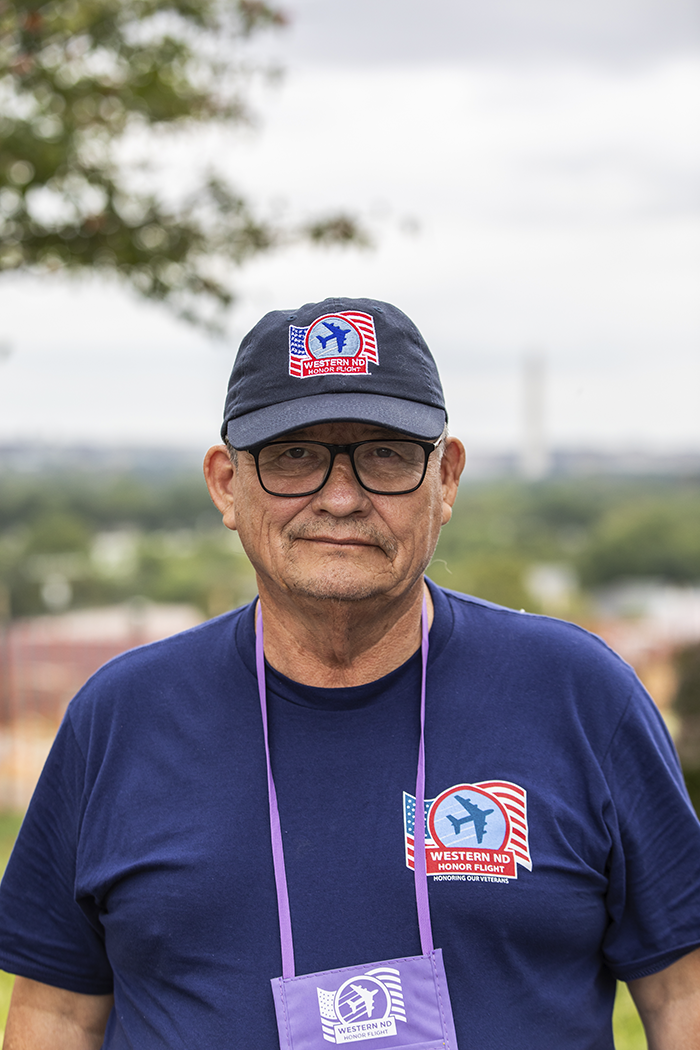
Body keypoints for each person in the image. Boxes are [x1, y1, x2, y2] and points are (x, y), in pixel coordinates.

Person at [1, 296, 699, 1050]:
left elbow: (682, 994)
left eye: (385, 454)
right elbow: (58, 1014)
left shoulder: (580, 696)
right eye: (293, 455)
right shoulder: (119, 717)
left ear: (446, 479)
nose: (340, 498)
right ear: (226, 484)